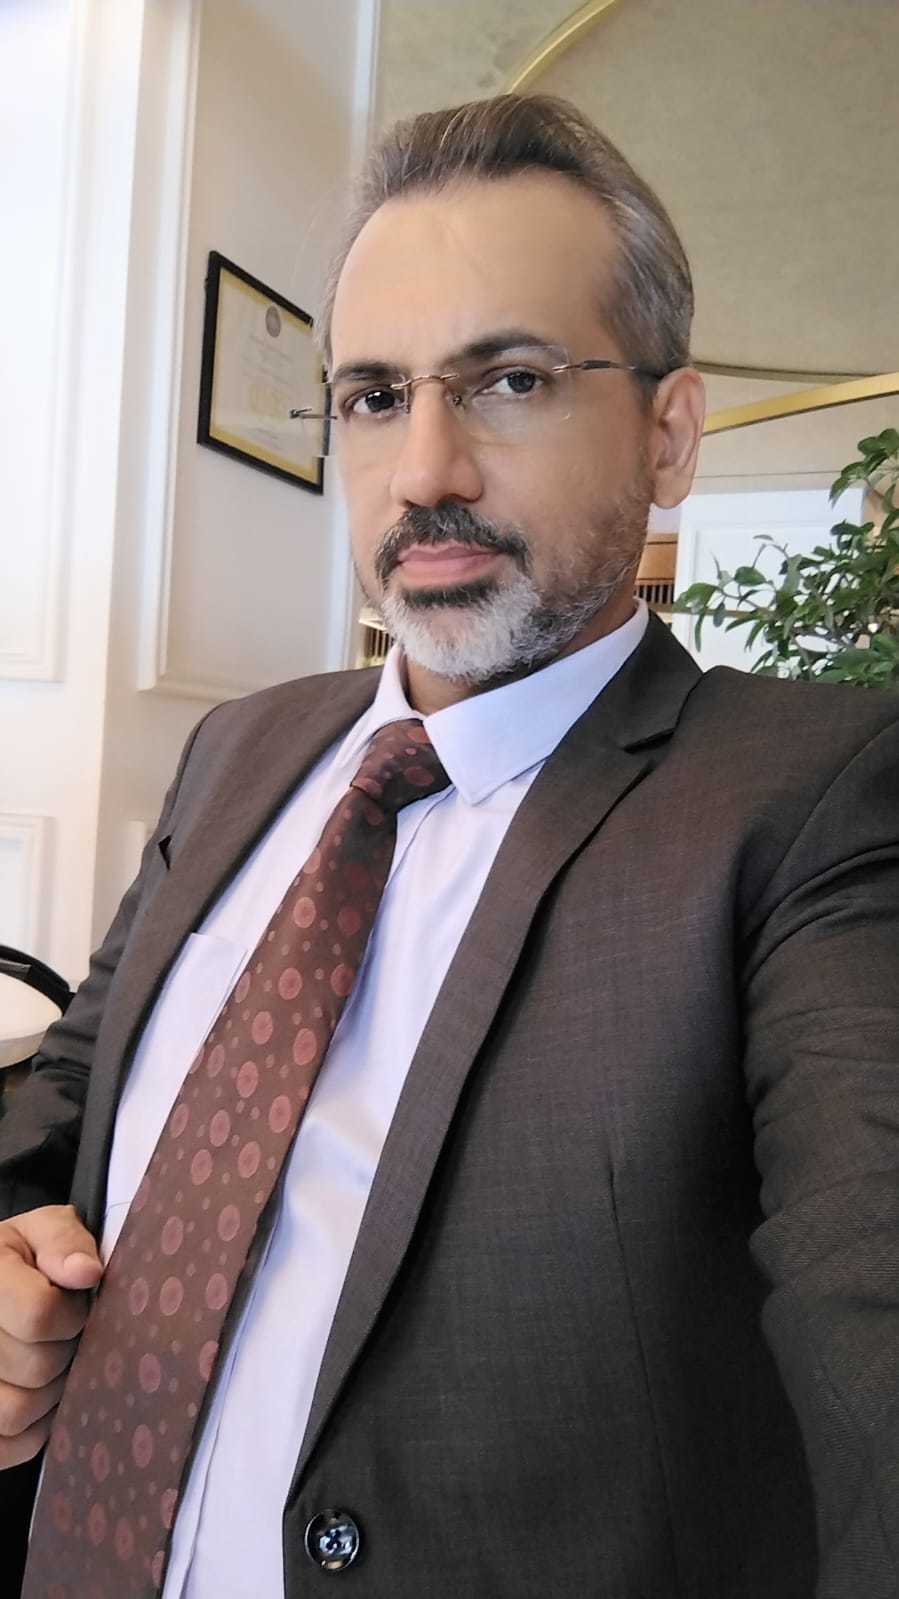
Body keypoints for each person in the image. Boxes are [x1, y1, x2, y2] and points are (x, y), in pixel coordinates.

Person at [1, 93, 898, 1599]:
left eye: (512, 381)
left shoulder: (813, 800)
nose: (425, 471)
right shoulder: (242, 748)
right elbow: (73, 1094)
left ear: (671, 434)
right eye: (372, 396)